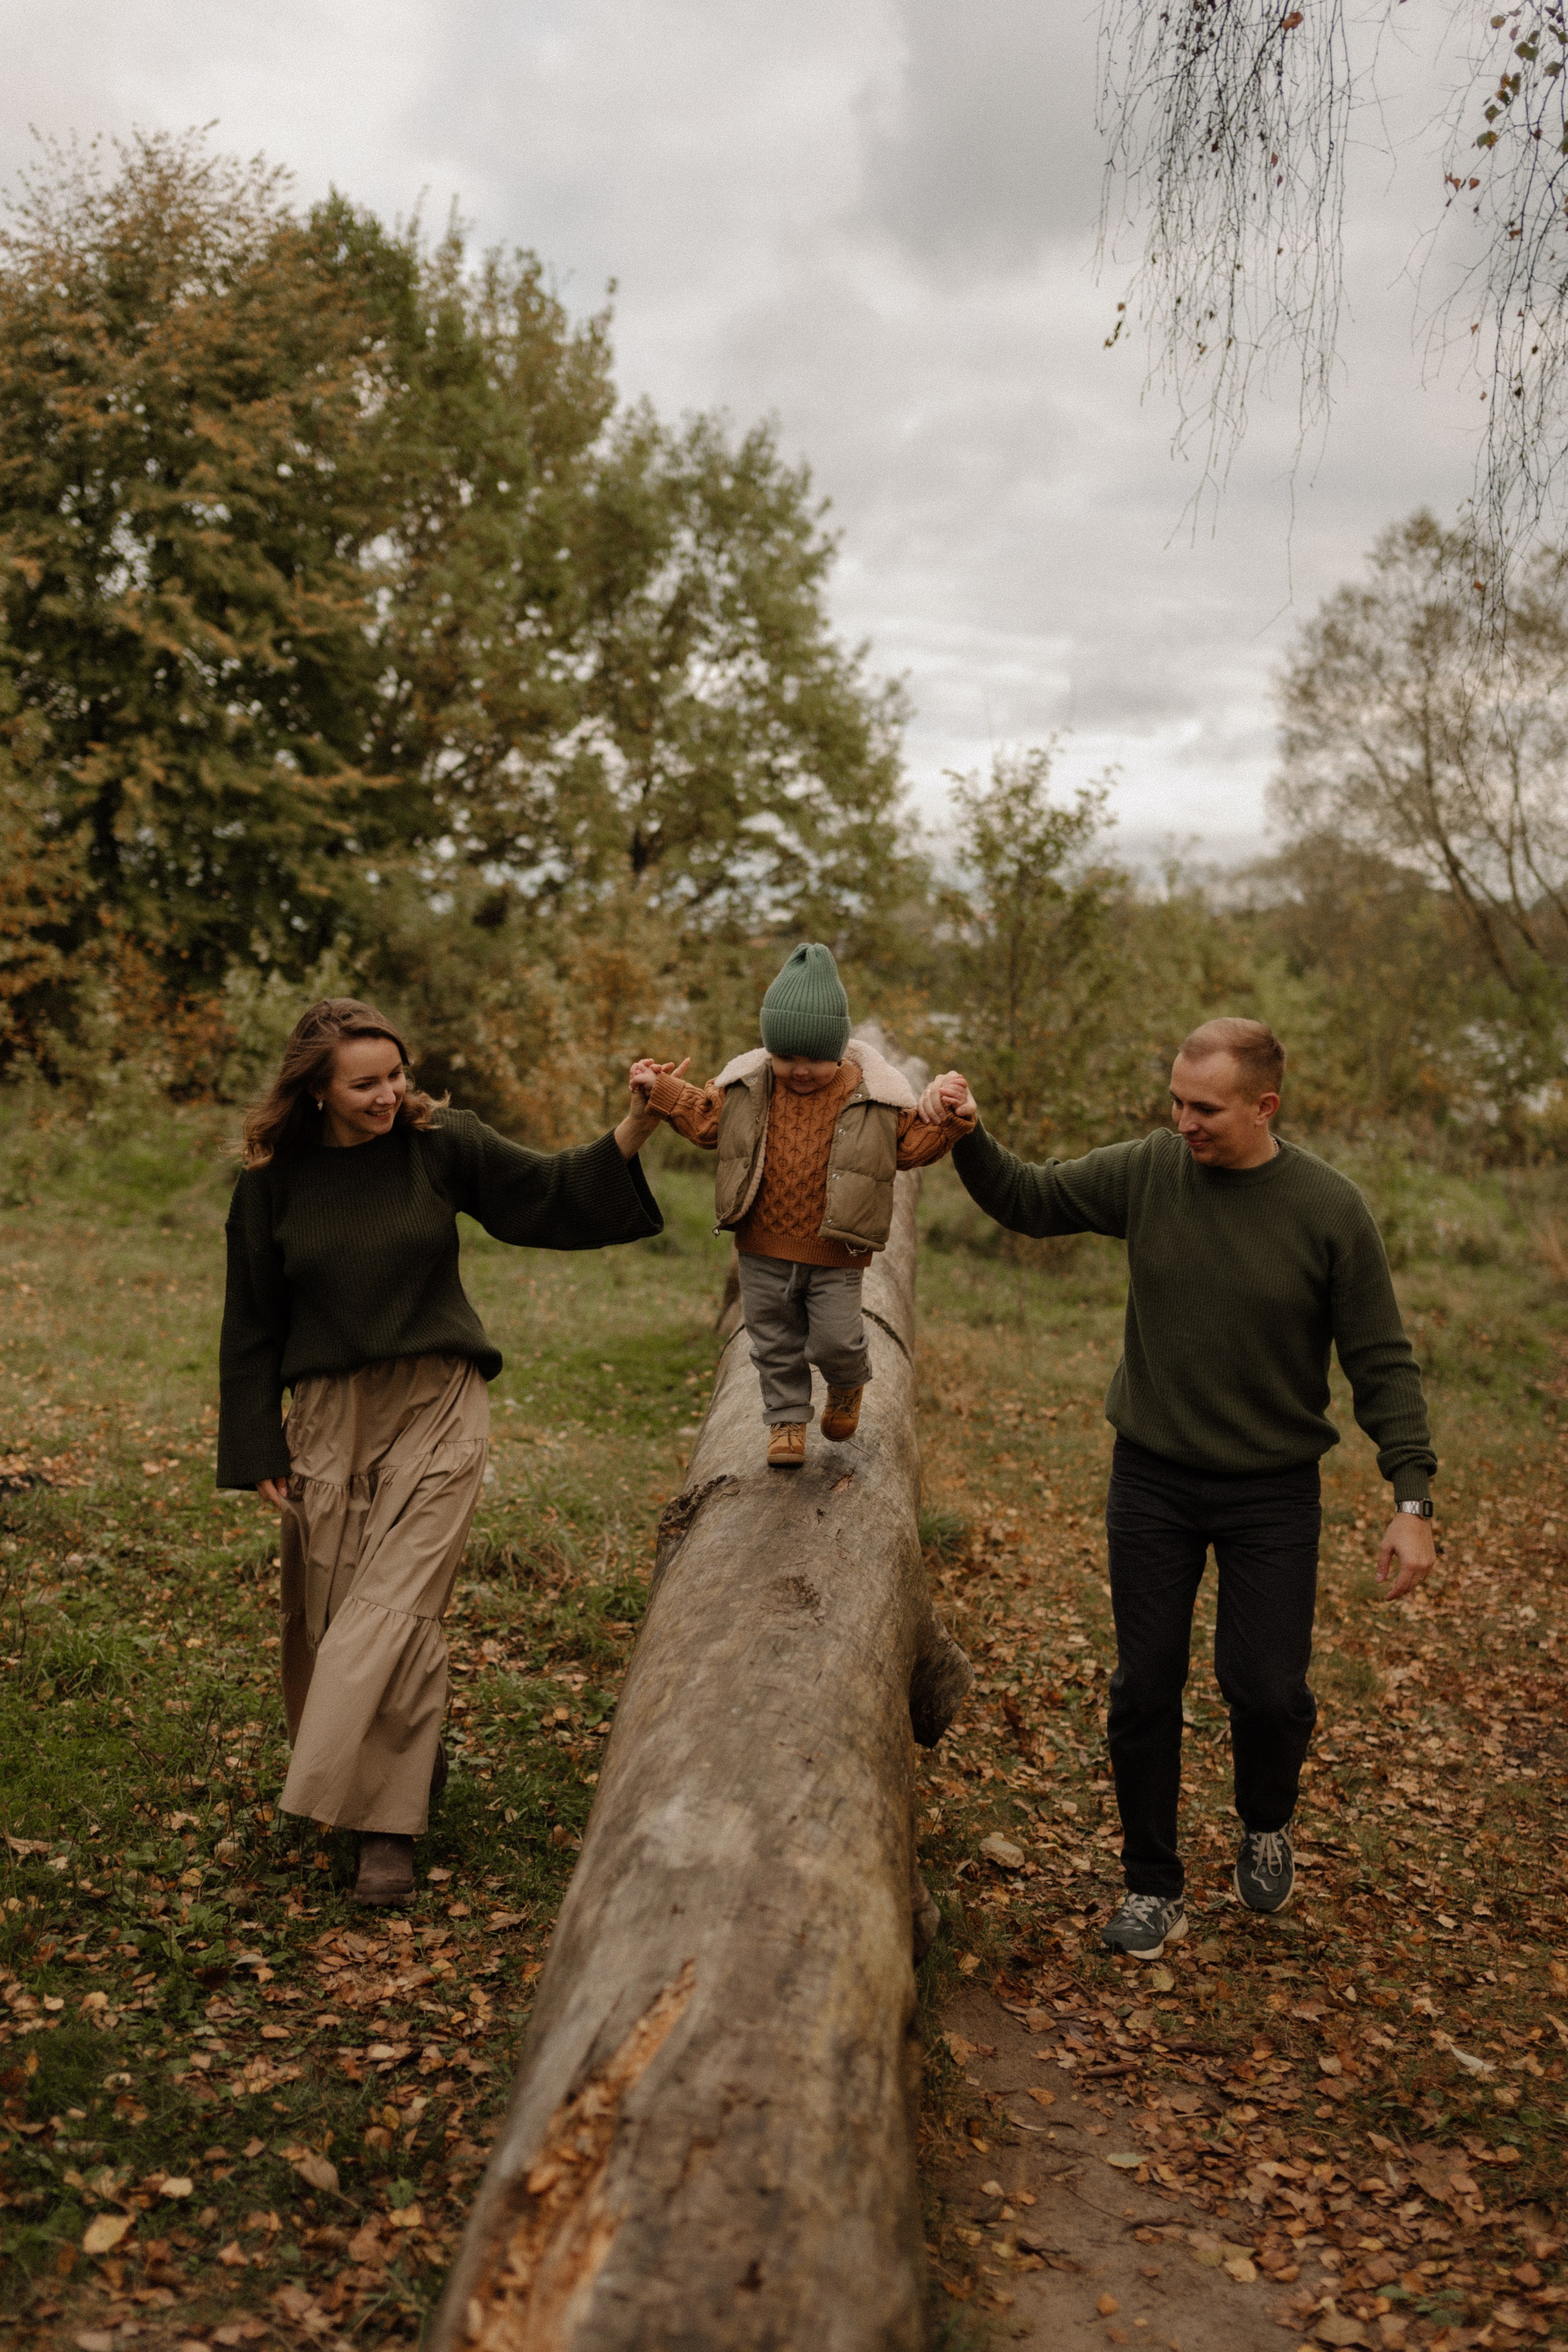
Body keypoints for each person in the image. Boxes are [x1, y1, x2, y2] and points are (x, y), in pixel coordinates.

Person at [921, 1018, 1438, 1960]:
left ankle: (1265, 1821)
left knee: (1270, 1690)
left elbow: (1383, 1362)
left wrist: (1412, 1501)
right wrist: (968, 1132)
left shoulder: (1329, 1208)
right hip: (1153, 1478)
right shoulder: (1152, 1170)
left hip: (1272, 1490)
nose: (1184, 1122)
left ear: (1264, 1106)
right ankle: (1153, 1886)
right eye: (1176, 1101)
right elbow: (1029, 1200)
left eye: (1205, 1108)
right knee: (1143, 1687)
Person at [216, 997, 663, 1907]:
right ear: (317, 1092)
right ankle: (389, 1781)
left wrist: (636, 1124)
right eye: (367, 1083)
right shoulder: (274, 1183)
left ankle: (387, 1832)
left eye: (398, 1075)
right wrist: (258, 1438)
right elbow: (252, 1321)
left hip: (439, 1400)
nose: (391, 1095)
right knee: (335, 1610)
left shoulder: (440, 1141)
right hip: (331, 1414)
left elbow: (546, 1192)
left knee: (396, 1603)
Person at [629, 943, 974, 1467]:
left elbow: (910, 1147)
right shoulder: (749, 1087)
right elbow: (703, 1117)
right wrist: (659, 1087)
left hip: (835, 1249)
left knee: (836, 1338)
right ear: (770, 1050)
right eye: (787, 1057)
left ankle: (847, 1383)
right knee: (773, 1340)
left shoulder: (872, 1097)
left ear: (838, 1049)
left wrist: (951, 1118)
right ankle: (787, 1419)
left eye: (815, 1057)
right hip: (762, 1247)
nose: (801, 1069)